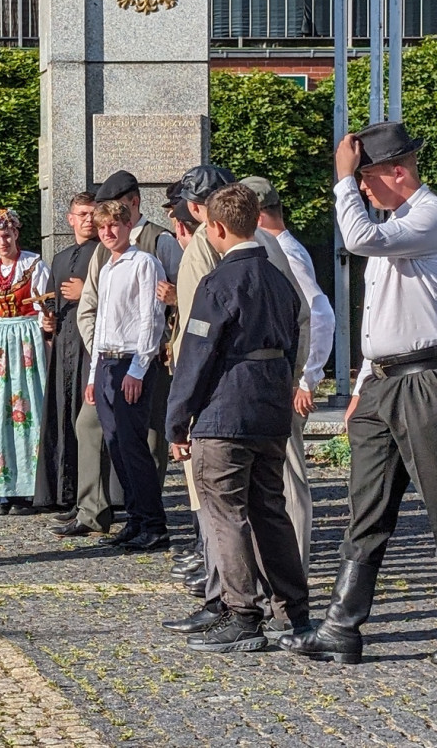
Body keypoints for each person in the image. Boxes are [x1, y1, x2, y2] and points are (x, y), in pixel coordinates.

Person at [281, 121, 437, 665]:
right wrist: (364, 377)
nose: (362, 188)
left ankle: (341, 626)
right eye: (359, 179)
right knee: (365, 510)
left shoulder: (428, 213)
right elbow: (380, 312)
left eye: (369, 177)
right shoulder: (396, 220)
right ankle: (341, 628)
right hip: (383, 381)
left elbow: (358, 238)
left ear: (398, 171)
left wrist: (342, 180)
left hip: (424, 377)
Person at [160, 164, 313, 634]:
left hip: (224, 410)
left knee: (224, 513)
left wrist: (177, 418)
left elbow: (196, 352)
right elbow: (299, 332)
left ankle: (243, 614)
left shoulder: (219, 281)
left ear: (216, 226)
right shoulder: (279, 278)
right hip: (270, 409)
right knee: (271, 513)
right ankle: (293, 610)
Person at [66, 170, 182, 537]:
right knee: (116, 444)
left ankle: (151, 522)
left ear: (129, 222)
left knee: (136, 446)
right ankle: (133, 518)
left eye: (115, 226)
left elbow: (151, 318)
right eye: (102, 228)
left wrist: (137, 368)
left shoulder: (146, 258)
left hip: (134, 360)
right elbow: (100, 320)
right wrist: (91, 375)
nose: (107, 233)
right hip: (106, 362)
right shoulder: (110, 263)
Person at [241, 175, 336, 575]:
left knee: (288, 471)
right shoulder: (279, 245)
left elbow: (319, 314)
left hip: (288, 375)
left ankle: (293, 560)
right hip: (285, 371)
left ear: (257, 214)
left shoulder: (282, 249)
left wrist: (307, 379)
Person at [0, 208, 50, 514]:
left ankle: (31, 489)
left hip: (27, 336)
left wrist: (43, 331)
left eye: (6, 235)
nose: (2, 242)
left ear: (16, 234)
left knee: (29, 406)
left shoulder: (33, 264)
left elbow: (43, 307)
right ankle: (2, 487)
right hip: (1, 339)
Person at [33, 192, 100, 511]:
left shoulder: (104, 253)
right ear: (70, 219)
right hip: (63, 348)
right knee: (61, 416)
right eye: (82, 214)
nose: (88, 220)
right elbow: (50, 303)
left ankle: (90, 497)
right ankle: (60, 492)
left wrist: (84, 291)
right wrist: (47, 324)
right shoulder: (59, 259)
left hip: (90, 348)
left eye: (93, 214)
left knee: (85, 420)